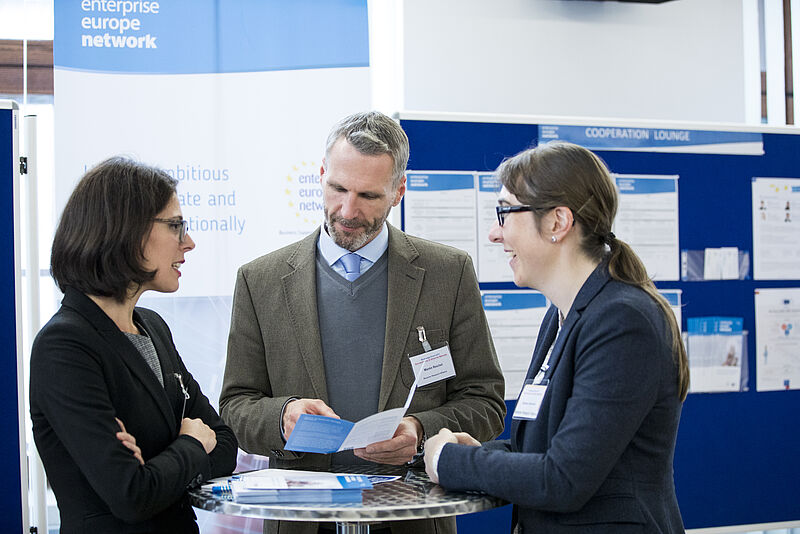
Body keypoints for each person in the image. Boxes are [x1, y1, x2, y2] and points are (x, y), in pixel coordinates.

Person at [219, 111, 506, 534]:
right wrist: (282, 418)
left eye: (368, 196)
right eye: (337, 188)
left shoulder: (449, 273)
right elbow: (235, 405)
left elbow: (485, 401)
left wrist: (421, 432)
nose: (347, 210)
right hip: (303, 521)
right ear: (321, 175)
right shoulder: (260, 281)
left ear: (399, 192)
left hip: (413, 518)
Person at [424, 141, 690, 534]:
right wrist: (476, 452)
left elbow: (563, 478)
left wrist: (449, 460)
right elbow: (544, 446)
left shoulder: (622, 321)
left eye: (505, 213)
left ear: (557, 223)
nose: (495, 234)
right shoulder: (562, 315)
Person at [30, 158, 238, 534]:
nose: (188, 242)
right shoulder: (64, 345)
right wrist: (190, 442)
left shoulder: (153, 327)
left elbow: (224, 444)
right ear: (126, 230)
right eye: (175, 226)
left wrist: (158, 461)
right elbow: (131, 494)